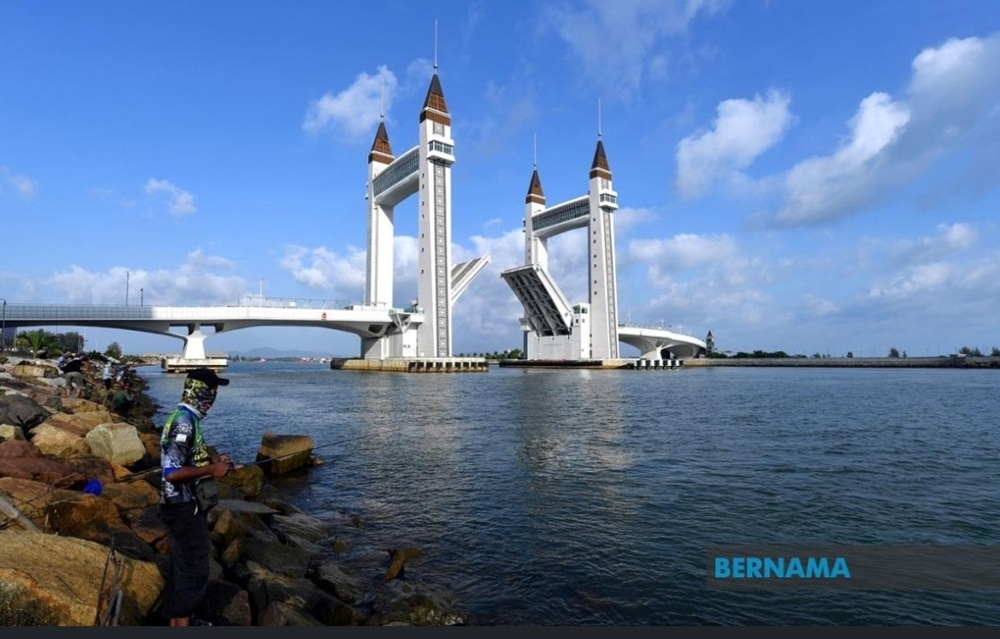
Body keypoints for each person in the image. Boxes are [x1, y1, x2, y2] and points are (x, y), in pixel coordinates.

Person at [158, 367, 234, 627]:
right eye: (211, 392)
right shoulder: (183, 422)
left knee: (182, 572)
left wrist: (212, 460)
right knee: (192, 573)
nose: (213, 399)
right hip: (182, 508)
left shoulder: (189, 418)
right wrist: (213, 470)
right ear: (202, 392)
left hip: (184, 507)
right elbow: (172, 472)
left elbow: (186, 456)